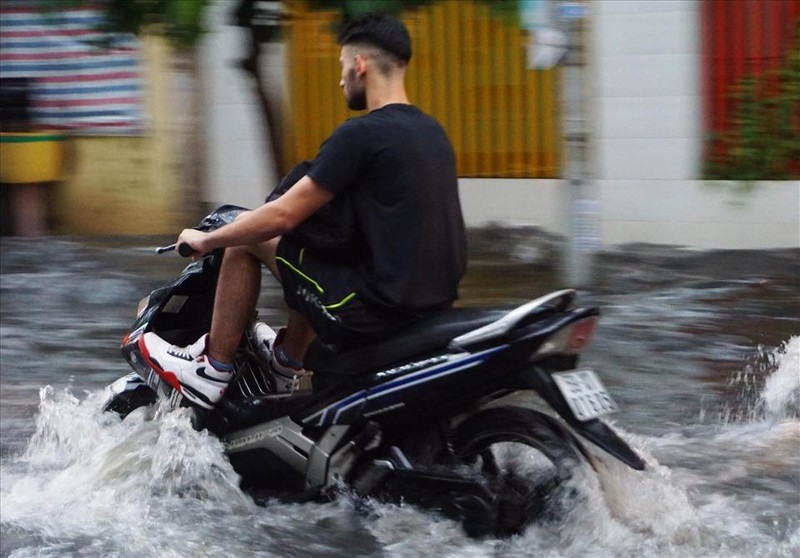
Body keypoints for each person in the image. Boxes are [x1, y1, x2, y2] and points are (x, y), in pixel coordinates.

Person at [138, 12, 467, 410]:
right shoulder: (433, 133)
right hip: (427, 309)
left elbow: (281, 216)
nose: (341, 77)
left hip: (371, 314)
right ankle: (285, 359)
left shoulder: (361, 135)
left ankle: (212, 371)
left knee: (247, 234)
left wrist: (206, 240)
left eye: (343, 65)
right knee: (314, 251)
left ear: (360, 64)